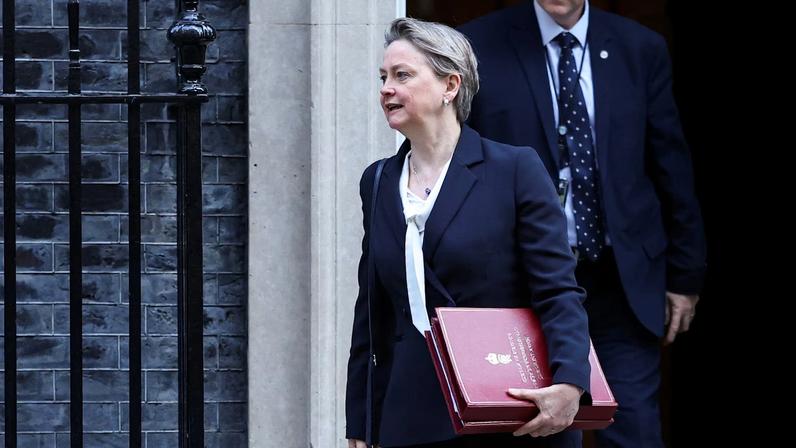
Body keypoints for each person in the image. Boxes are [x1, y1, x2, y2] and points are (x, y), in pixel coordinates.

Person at [460, 1, 707, 446]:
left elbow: (669, 164)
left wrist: (685, 274)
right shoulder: (478, 45)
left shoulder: (639, 47)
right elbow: (462, 163)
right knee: (540, 429)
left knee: (633, 429)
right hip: (523, 281)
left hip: (620, 279)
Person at [346, 17, 591, 448]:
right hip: (412, 413)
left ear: (450, 85)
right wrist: (361, 423)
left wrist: (570, 382)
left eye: (402, 75)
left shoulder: (515, 169)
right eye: (383, 77)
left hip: (511, 405)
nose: (386, 89)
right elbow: (373, 313)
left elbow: (557, 290)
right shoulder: (378, 180)